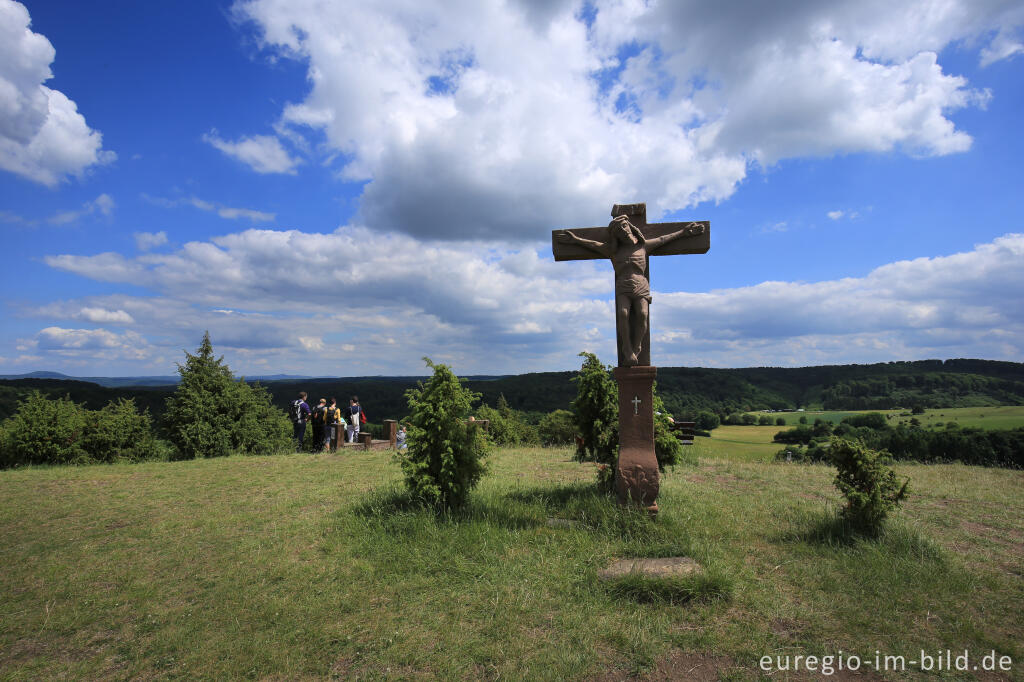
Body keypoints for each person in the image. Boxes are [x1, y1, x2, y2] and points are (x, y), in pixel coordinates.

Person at [557, 215, 704, 366]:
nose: (624, 232)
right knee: (623, 313)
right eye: (619, 231)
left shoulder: (643, 246)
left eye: (624, 227)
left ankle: (637, 345)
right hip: (623, 286)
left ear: (631, 227)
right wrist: (575, 240)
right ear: (617, 236)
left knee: (642, 314)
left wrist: (684, 232)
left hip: (641, 284)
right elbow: (594, 244)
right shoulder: (613, 251)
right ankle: (627, 348)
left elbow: (662, 239)